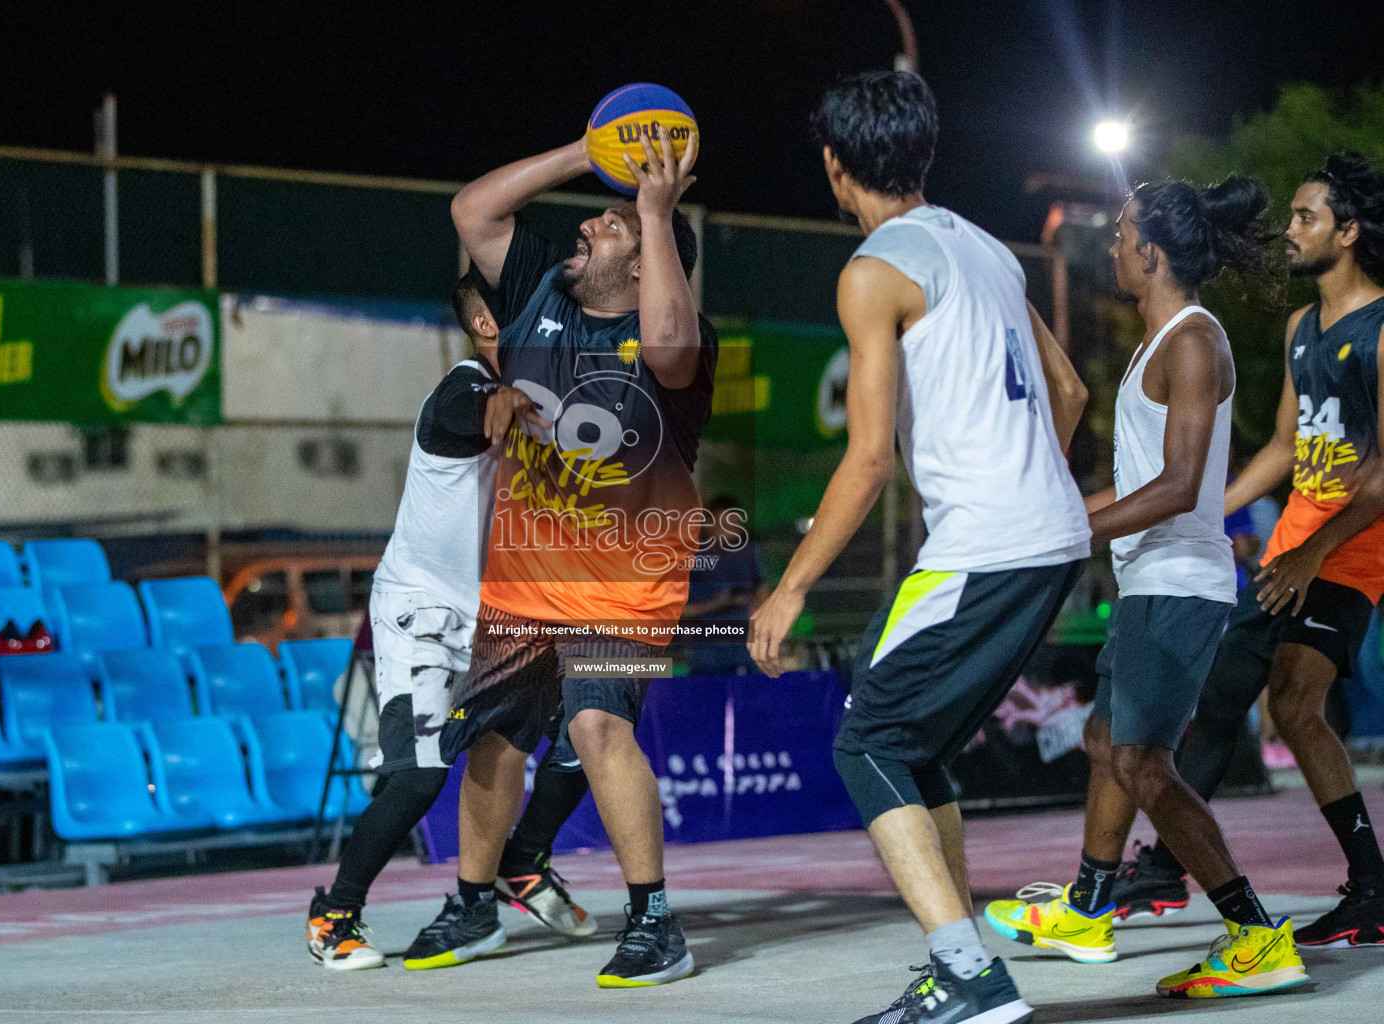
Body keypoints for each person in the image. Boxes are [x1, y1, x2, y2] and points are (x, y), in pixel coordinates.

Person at [748, 71, 1090, 1024]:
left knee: (869, 741)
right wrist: (1029, 489)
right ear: (924, 150)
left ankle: (971, 979)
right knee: (916, 743)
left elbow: (865, 462)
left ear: (832, 165)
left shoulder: (873, 271)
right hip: (1046, 535)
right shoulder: (988, 249)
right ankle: (962, 963)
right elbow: (1068, 394)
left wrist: (788, 592)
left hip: (989, 542)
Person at [408, 123, 715, 987]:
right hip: (522, 577)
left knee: (594, 723)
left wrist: (653, 211)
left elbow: (668, 342)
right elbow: (472, 209)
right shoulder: (541, 286)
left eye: (610, 227)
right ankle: (474, 903)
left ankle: (655, 921)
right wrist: (591, 154)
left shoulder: (681, 343)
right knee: (495, 744)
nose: (589, 226)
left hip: (625, 585)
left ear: (651, 259)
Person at [984, 178, 1308, 998]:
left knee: (1143, 764)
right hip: (1148, 581)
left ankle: (1255, 933)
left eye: (1125, 234)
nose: (1116, 246)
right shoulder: (1155, 341)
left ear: (1154, 252)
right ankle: (1089, 906)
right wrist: (1051, 515)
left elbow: (1178, 484)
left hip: (1181, 585)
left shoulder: (1194, 342)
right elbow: (1142, 486)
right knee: (1107, 742)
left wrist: (1066, 528)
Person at [1115, 152, 1384, 949]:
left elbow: (1380, 474)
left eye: (1307, 217)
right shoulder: (1304, 329)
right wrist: (1207, 511)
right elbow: (1282, 445)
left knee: (1297, 703)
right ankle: (1165, 868)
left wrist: (1312, 552)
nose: (1291, 229)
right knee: (1222, 696)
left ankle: (1371, 886)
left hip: (1355, 544)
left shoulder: (1383, 329)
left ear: (1349, 230)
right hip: (1297, 541)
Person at [305, 278, 597, 970]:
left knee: (595, 725)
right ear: (482, 328)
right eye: (510, 320)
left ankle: (519, 864)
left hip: (501, 619)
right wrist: (506, 399)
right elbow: (479, 406)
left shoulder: (556, 397)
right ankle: (334, 914)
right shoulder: (459, 394)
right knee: (417, 780)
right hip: (422, 615)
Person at [681, 493, 767, 675]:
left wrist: (760, 614)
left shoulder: (749, 550)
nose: (730, 529)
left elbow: (761, 587)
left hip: (743, 636)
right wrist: (714, 604)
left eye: (734, 523)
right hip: (705, 639)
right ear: (710, 523)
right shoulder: (692, 554)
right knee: (706, 687)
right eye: (724, 523)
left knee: (750, 685)